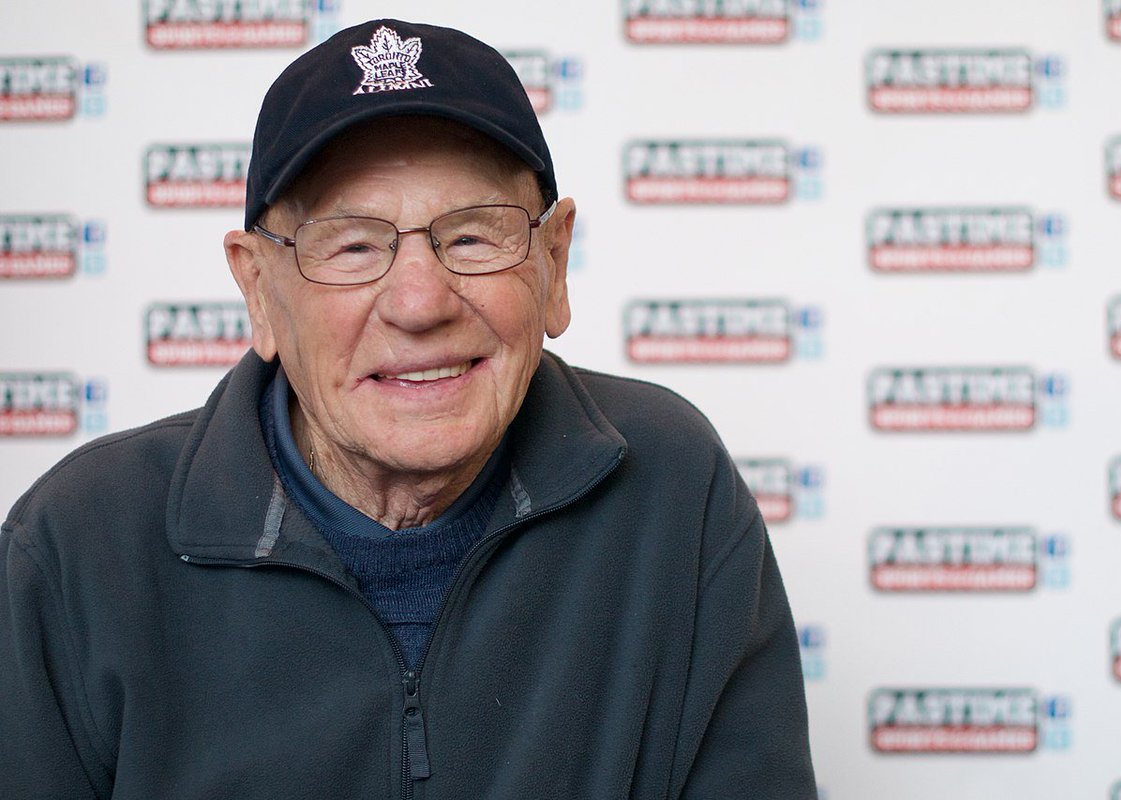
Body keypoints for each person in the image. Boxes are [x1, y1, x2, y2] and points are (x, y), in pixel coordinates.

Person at [0, 19, 816, 799]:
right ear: (259, 290)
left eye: (471, 236)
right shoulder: (76, 547)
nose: (420, 303)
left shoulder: (675, 489)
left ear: (554, 263)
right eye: (353, 245)